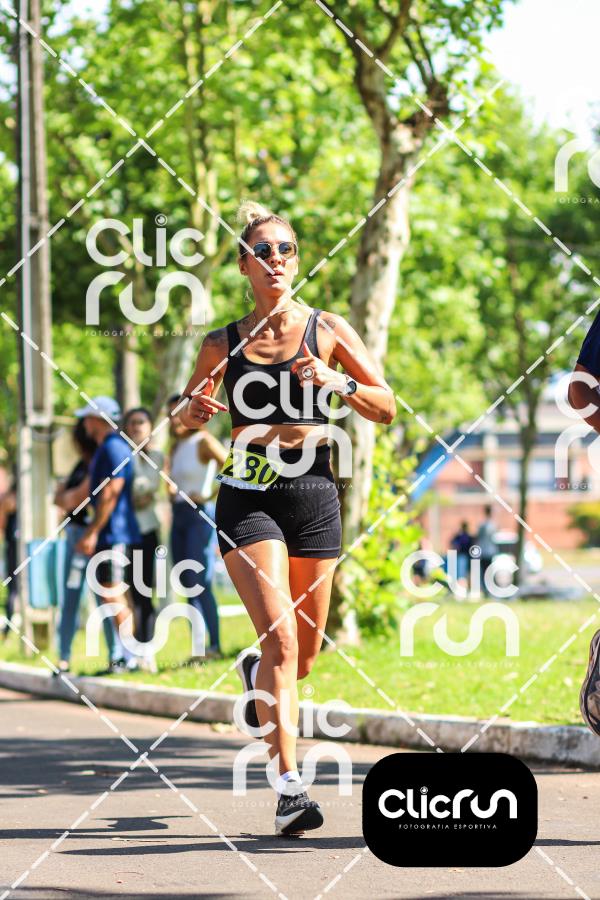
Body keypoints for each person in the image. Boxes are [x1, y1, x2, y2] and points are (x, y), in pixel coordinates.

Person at [175, 200, 396, 835]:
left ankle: (255, 675)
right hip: (248, 493)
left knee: (303, 656)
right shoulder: (222, 343)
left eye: (286, 249)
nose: (276, 259)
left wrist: (337, 382)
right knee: (281, 638)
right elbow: (184, 414)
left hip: (315, 493)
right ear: (243, 264)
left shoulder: (327, 329)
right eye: (263, 251)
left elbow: (386, 406)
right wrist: (191, 412)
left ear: (296, 260)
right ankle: (290, 789)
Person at [74, 396, 141, 674]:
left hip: (114, 533)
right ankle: (128, 656)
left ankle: (130, 657)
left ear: (97, 420)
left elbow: (112, 492)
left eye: (88, 417)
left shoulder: (113, 447)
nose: (84, 423)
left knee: (113, 594)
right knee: (114, 594)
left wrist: (92, 531)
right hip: (113, 532)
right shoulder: (108, 448)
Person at [167, 393, 227, 659]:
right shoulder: (175, 447)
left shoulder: (203, 441)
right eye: (170, 414)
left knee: (200, 581)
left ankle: (215, 646)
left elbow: (233, 465)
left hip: (199, 515)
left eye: (178, 412)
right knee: (186, 582)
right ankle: (199, 649)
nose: (174, 420)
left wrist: (209, 495)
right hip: (178, 514)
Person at [53, 420, 97, 672]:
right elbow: (59, 499)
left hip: (88, 536)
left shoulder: (96, 463)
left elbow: (73, 497)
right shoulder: (79, 465)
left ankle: (116, 655)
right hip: (72, 535)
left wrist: (65, 497)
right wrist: (65, 497)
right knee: (69, 597)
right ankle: (64, 657)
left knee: (103, 596)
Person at [123, 407, 164, 661]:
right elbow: (136, 492)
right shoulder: (121, 455)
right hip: (125, 533)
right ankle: (130, 651)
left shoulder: (156, 456)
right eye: (132, 423)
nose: (137, 427)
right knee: (126, 592)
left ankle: (146, 650)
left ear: (150, 427)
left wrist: (133, 493)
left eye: (141, 422)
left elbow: (146, 487)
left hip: (147, 531)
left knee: (145, 591)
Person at [0, 479, 17, 639]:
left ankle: (8, 629)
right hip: (12, 545)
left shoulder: (11, 497)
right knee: (12, 589)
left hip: (15, 546)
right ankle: (7, 628)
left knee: (13, 589)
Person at [475, 506, 497, 597]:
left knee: (484, 571)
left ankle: (486, 589)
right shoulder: (492, 525)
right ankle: (487, 588)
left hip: (484, 552)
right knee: (488, 571)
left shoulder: (483, 525)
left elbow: (477, 538)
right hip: (489, 552)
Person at [449, 521, 473, 590]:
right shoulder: (462, 536)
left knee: (463, 573)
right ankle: (462, 587)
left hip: (465, 556)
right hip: (463, 556)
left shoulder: (464, 536)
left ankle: (464, 587)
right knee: (462, 573)